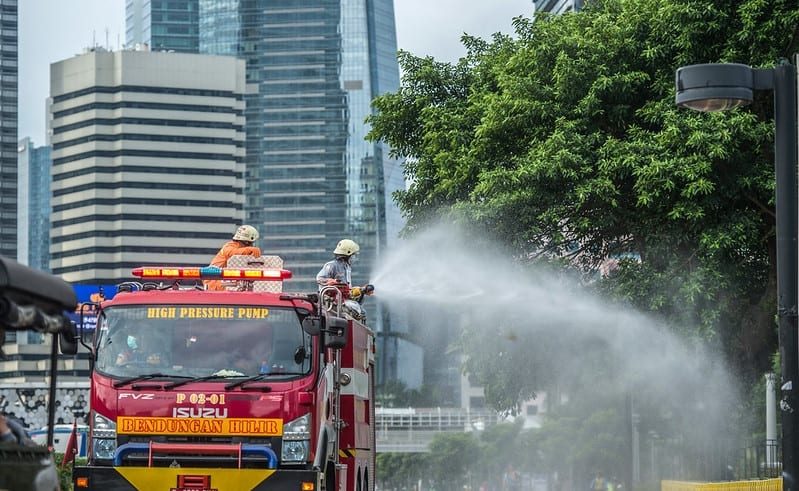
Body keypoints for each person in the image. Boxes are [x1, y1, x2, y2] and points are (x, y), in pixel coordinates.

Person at [204, 225, 262, 291]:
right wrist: (249, 249)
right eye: (252, 243)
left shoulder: (241, 251)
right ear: (247, 242)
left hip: (225, 281)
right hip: (215, 281)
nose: (252, 245)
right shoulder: (229, 246)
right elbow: (232, 253)